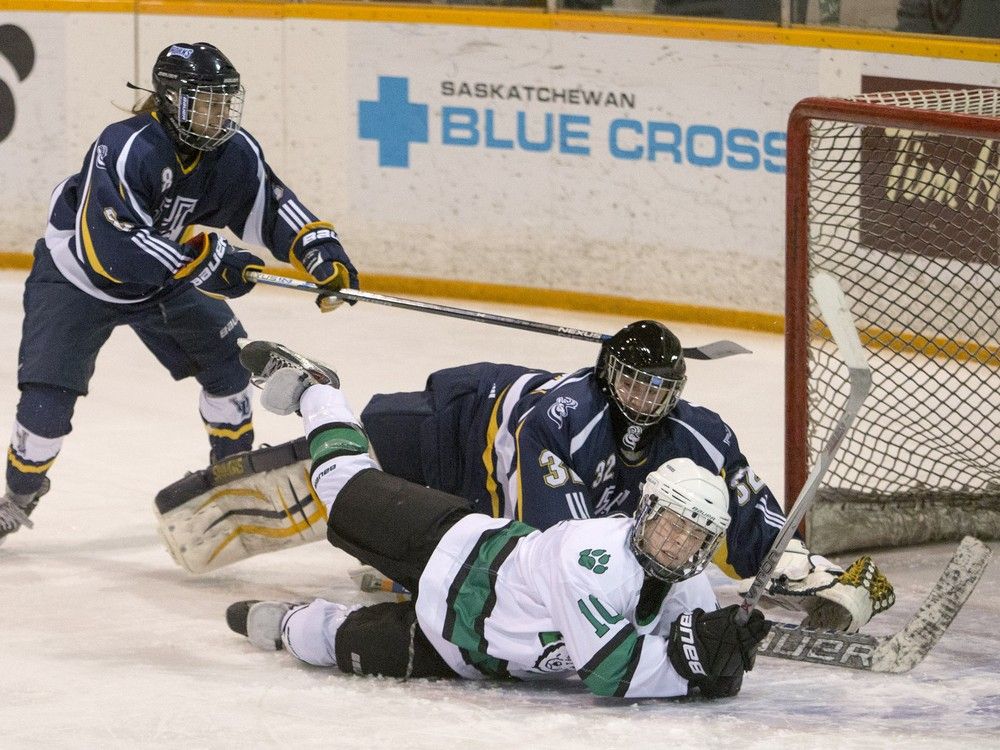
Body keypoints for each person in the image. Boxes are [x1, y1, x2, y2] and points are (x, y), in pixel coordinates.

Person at [226, 340, 771, 699]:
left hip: (469, 656)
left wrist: (717, 661)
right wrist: (690, 662)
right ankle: (317, 392)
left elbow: (704, 657)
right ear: (644, 511)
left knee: (333, 642)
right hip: (449, 548)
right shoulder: (592, 556)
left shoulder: (689, 583)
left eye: (693, 533)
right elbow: (612, 673)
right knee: (340, 486)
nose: (676, 541)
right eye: (669, 522)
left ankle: (285, 623)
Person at [0, 42, 358, 544]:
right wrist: (208, 262)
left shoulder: (234, 152)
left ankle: (231, 481)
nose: (217, 116)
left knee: (231, 372)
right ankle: (19, 496)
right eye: (204, 103)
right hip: (77, 278)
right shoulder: (128, 146)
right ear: (169, 100)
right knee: (45, 410)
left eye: (223, 103)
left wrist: (321, 251)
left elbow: (273, 206)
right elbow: (113, 250)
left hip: (167, 278)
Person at [359, 320, 895, 633]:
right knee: (355, 461)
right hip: (461, 429)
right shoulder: (562, 424)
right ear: (607, 374)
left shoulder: (698, 434)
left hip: (500, 467)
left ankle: (811, 573)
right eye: (634, 386)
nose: (645, 403)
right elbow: (559, 549)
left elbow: (742, 511)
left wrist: (795, 567)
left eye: (658, 391)